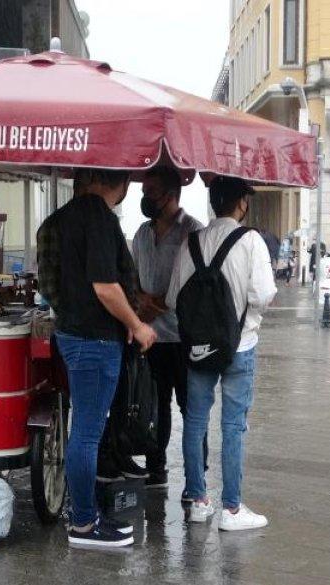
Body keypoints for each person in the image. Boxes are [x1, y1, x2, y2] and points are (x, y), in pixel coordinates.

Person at [44, 167, 155, 548]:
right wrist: (136, 325)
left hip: (73, 334)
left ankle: (84, 515)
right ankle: (84, 525)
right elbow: (106, 287)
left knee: (84, 431)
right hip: (94, 341)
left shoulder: (61, 219)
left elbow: (54, 285)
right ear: (118, 182)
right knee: (87, 435)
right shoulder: (98, 218)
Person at [167, 176, 275, 531]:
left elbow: (172, 299)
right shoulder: (251, 241)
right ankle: (231, 509)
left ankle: (198, 501)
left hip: (198, 348)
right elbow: (262, 294)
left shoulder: (192, 241)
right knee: (233, 426)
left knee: (195, 421)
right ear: (242, 202)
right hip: (240, 346)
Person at [129, 166, 205, 488]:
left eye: (151, 192)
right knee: (154, 408)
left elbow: (196, 286)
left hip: (184, 338)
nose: (145, 198)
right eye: (144, 192)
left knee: (192, 409)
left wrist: (157, 304)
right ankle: (156, 468)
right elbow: (132, 280)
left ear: (171, 195)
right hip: (150, 339)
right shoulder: (142, 234)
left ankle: (196, 477)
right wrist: (140, 302)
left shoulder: (194, 233)